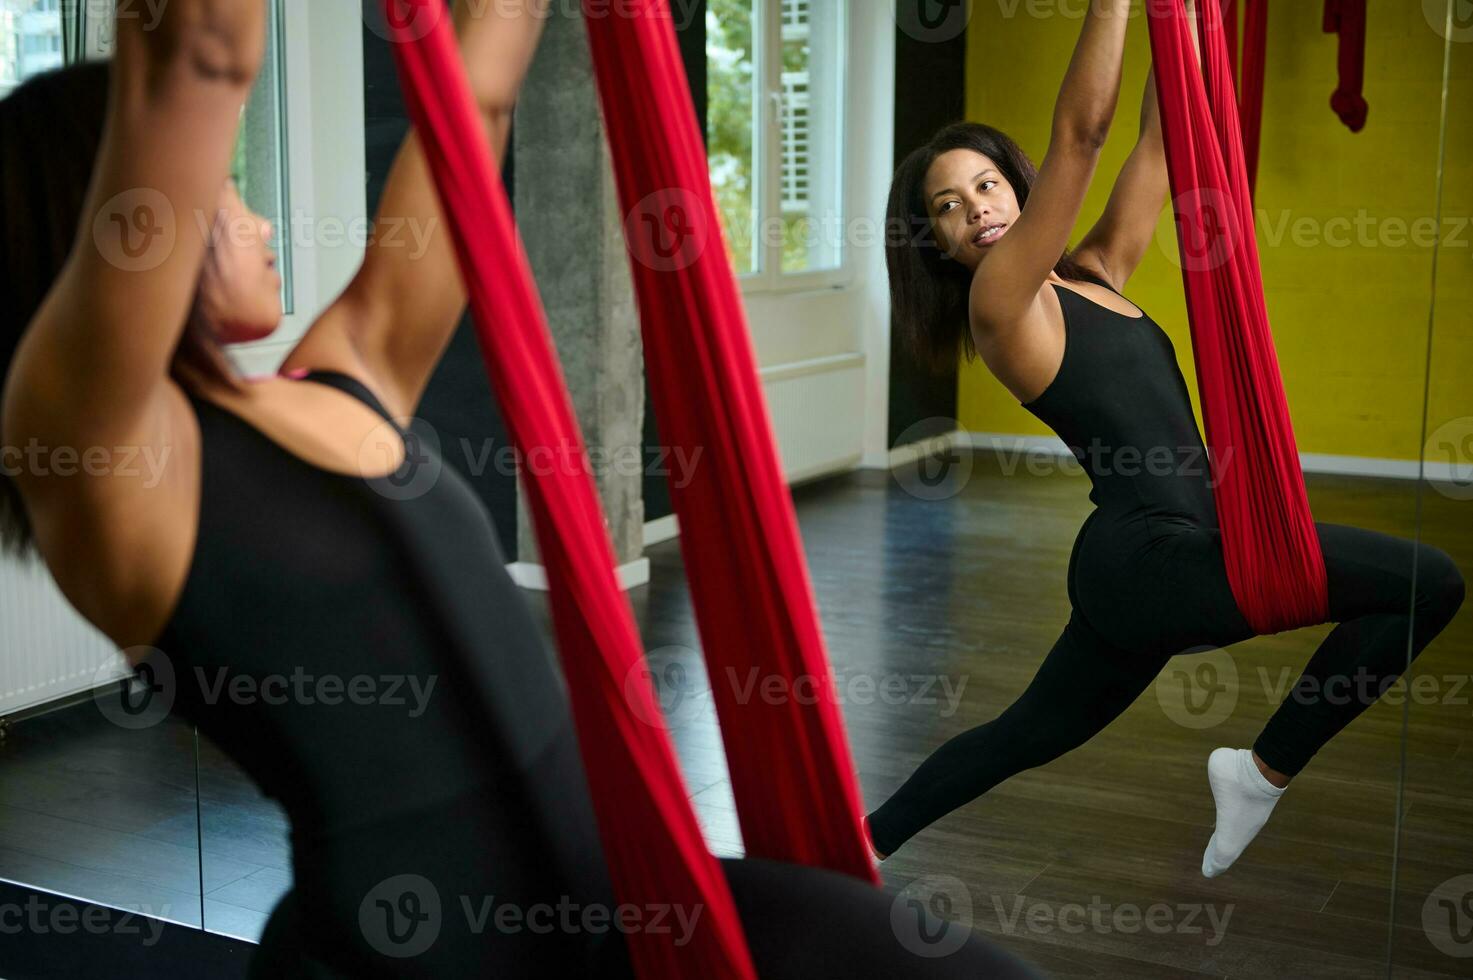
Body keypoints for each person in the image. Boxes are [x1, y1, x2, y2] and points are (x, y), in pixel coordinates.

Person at [0, 2, 1041, 976]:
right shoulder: (99, 459)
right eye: (221, 189)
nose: (256, 216)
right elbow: (201, 52)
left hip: (607, 898)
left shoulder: (340, 371)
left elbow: (478, 94)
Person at [868, 0, 1464, 878]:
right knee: (1428, 583)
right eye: (947, 207)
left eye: (985, 185)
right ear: (941, 244)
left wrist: (1190, 17)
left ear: (1014, 185)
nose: (975, 211)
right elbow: (1083, 132)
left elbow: (1159, 132)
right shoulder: (999, 305)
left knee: (1020, 736)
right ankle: (1258, 774)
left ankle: (852, 844)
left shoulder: (1091, 273)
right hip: (1153, 560)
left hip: (1149, 558)